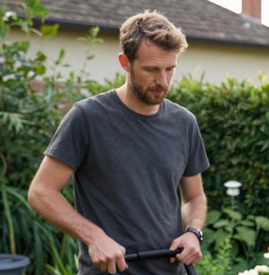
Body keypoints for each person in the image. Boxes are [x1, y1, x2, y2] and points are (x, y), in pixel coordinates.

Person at [27, 10, 209, 274]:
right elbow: (41, 192)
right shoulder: (87, 118)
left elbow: (194, 196)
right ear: (125, 62)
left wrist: (193, 232)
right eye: (151, 70)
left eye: (170, 69)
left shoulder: (184, 122)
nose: (163, 81)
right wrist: (94, 237)